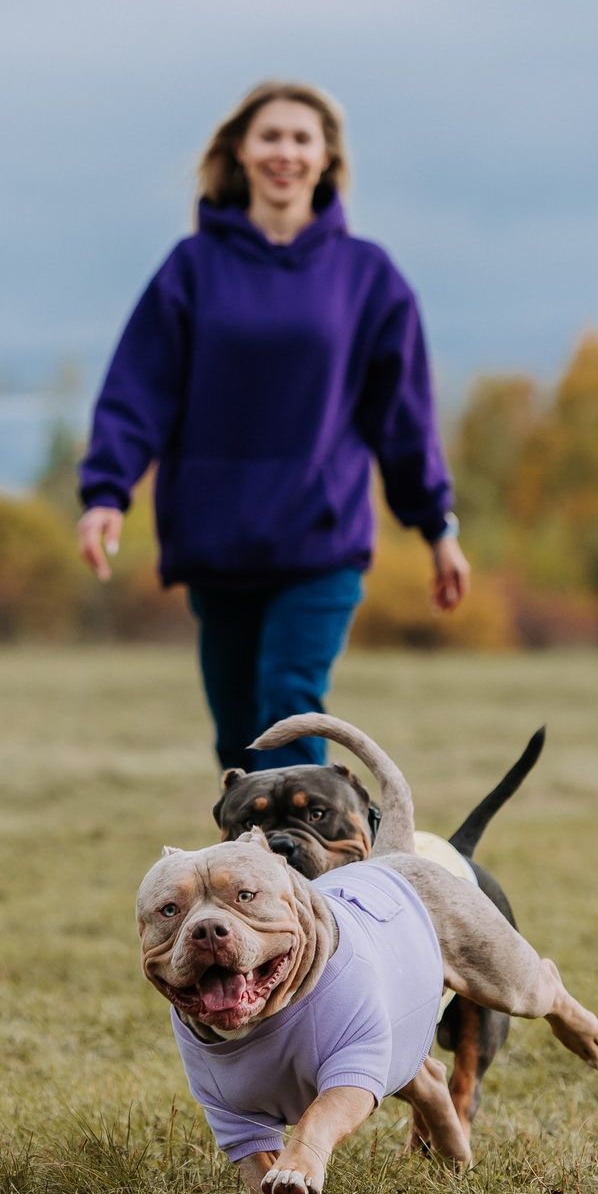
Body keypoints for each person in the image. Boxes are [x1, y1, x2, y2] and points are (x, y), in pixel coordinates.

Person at [76, 81, 470, 770]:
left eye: (300, 138)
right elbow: (139, 388)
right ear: (240, 152)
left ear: (326, 159)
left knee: (289, 705)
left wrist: (437, 526)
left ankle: (303, 872)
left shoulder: (367, 276)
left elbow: (402, 415)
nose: (284, 151)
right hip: (217, 534)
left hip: (320, 534)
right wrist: (106, 492)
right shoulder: (192, 268)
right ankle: (252, 877)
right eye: (270, 136)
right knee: (238, 732)